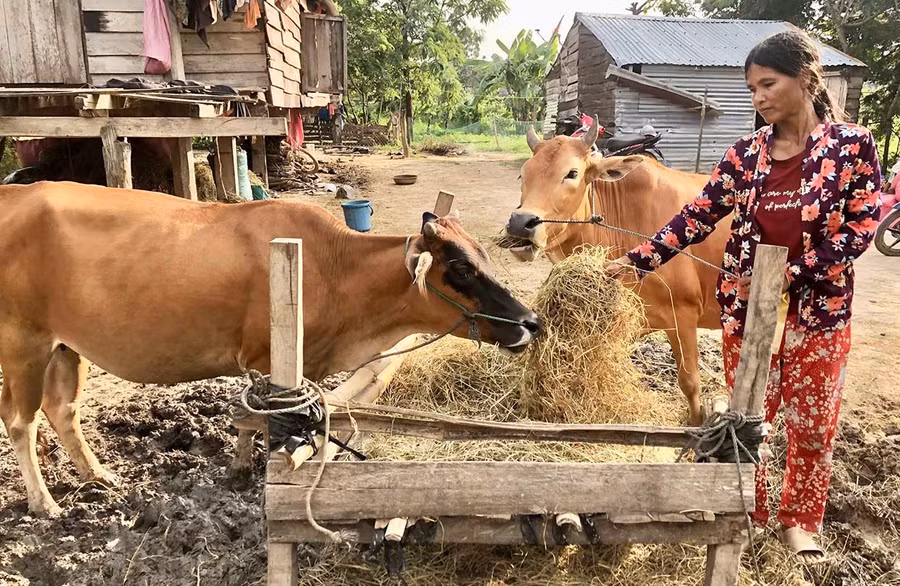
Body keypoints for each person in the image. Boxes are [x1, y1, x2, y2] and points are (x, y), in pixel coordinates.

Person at [606, 30, 882, 561]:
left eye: (767, 83)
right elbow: (696, 216)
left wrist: (792, 274)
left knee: (813, 419)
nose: (757, 97)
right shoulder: (746, 155)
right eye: (751, 87)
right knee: (749, 417)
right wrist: (639, 260)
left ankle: (800, 521)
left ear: (805, 78)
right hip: (745, 310)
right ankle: (746, 509)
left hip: (818, 310)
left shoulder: (852, 146)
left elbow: (861, 228)